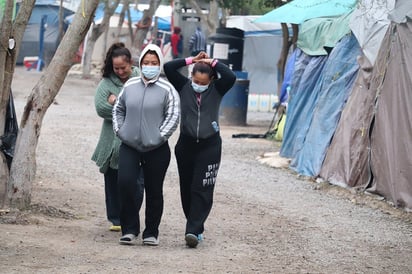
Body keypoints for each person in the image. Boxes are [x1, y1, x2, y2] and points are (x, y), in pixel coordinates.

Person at [163, 52, 236, 248]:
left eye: (203, 82)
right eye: (196, 80)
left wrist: (212, 62)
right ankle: (196, 224)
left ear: (211, 80)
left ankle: (192, 230)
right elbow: (169, 67)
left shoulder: (218, 89)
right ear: (191, 77)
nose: (199, 84)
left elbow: (230, 76)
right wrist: (192, 60)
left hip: (210, 146)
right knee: (187, 188)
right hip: (186, 145)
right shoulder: (184, 86)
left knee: (201, 188)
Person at [113, 44, 180, 246]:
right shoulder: (130, 85)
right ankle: (129, 229)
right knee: (125, 183)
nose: (149, 66)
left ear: (159, 65)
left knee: (153, 189)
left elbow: (173, 115)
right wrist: (121, 131)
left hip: (156, 149)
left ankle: (151, 232)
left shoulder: (167, 89)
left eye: (154, 63)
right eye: (146, 63)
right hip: (130, 146)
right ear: (140, 64)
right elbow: (118, 110)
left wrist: (158, 137)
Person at [92, 42, 142, 232]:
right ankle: (116, 219)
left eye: (123, 67)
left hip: (137, 140)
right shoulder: (105, 83)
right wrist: (128, 108)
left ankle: (131, 216)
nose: (120, 71)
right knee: (112, 181)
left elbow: (145, 106)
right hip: (112, 142)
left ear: (130, 63)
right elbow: (100, 108)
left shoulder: (140, 78)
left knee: (136, 183)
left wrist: (117, 102)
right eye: (116, 68)